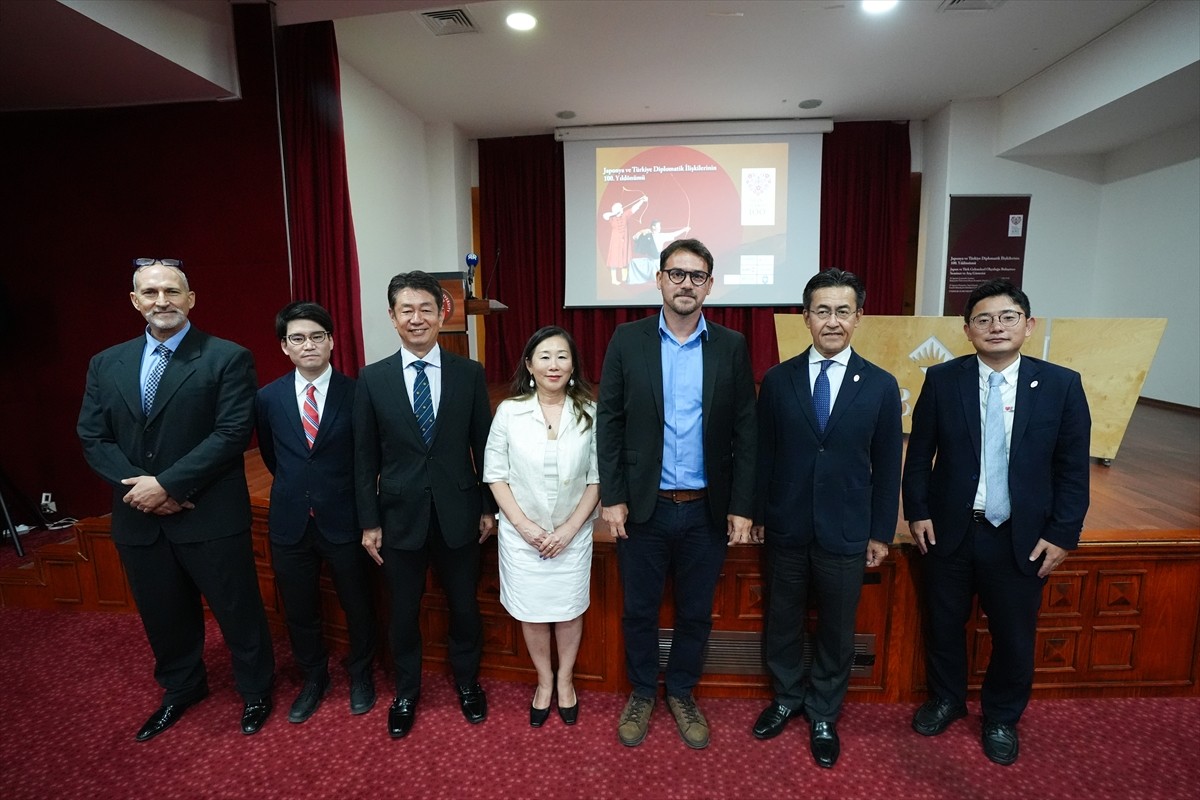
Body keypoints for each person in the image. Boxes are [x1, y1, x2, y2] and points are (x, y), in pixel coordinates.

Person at [77, 258, 274, 741]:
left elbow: (231, 434)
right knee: (162, 613)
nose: (161, 301)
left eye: (171, 292)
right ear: (135, 301)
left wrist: (166, 485)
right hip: (139, 517)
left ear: (191, 299)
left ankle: (256, 691)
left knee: (237, 609)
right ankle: (182, 688)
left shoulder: (227, 357)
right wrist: (141, 489)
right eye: (150, 293)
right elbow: (92, 436)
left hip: (208, 511)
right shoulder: (106, 363)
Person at [903, 278, 1091, 766]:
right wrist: (917, 511)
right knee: (944, 623)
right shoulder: (943, 381)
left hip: (1021, 535)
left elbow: (1072, 468)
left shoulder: (1061, 385)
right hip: (951, 528)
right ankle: (946, 699)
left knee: (1013, 632)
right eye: (983, 319)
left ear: (1028, 326)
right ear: (967, 330)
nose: (996, 327)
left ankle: (1002, 716)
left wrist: (1063, 533)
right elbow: (920, 452)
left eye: (1008, 317)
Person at [597, 238, 757, 749]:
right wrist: (613, 495)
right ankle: (644, 691)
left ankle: (682, 691)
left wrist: (741, 507)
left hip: (706, 510)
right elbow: (611, 421)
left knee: (694, 612)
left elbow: (745, 432)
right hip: (644, 509)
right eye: (676, 274)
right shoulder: (628, 338)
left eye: (697, 275)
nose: (686, 284)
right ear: (660, 279)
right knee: (639, 610)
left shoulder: (730, 345)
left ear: (710, 285)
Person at [750, 269, 902, 768]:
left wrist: (881, 531)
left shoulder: (881, 386)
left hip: (847, 529)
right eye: (822, 310)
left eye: (842, 311)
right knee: (783, 620)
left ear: (858, 317)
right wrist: (754, 513)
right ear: (805, 317)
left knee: (837, 628)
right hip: (786, 524)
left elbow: (887, 465)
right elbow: (763, 454)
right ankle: (787, 698)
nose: (832, 321)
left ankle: (822, 712)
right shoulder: (777, 380)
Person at [353, 270, 497, 740]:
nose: (417, 319)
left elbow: (486, 447)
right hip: (398, 518)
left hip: (459, 513)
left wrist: (487, 506)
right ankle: (406, 690)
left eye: (426, 309)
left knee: (464, 606)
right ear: (392, 318)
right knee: (403, 610)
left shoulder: (469, 373)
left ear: (442, 315)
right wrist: (369, 521)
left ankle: (467, 682)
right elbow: (364, 458)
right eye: (406, 310)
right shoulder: (371, 380)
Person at [255, 301, 378, 724]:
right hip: (290, 522)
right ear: (284, 347)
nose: (308, 345)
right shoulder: (267, 398)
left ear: (331, 341)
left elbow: (368, 460)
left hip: (345, 519)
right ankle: (314, 677)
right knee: (300, 608)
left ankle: (361, 674)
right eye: (297, 338)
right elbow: (275, 458)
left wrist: (367, 518)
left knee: (357, 604)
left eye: (316, 336)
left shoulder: (358, 392)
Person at [483, 326, 599, 728]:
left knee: (568, 610)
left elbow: (596, 479)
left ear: (573, 365)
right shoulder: (509, 412)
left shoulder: (590, 412)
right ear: (529, 365)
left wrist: (568, 529)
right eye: (545, 356)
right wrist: (524, 527)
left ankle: (565, 680)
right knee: (532, 611)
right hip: (521, 536)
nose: (554, 364)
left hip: (572, 533)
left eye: (562, 356)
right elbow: (495, 474)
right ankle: (544, 681)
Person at [603, 195, 648, 285]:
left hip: (625, 243)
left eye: (621, 206)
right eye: (619, 207)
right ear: (615, 209)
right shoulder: (612, 217)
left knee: (625, 259)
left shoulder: (625, 215)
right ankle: (614, 279)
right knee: (614, 260)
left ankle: (625, 278)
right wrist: (615, 213)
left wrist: (641, 201)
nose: (621, 208)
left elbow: (634, 209)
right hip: (615, 243)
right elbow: (605, 215)